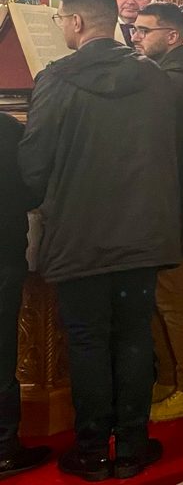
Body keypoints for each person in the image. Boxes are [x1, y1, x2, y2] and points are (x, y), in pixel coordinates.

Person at [19, 0, 179, 479]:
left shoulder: (57, 78)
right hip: (142, 233)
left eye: (61, 19)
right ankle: (131, 447)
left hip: (79, 234)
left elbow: (34, 164)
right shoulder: (153, 76)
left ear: (76, 22)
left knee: (88, 340)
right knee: (133, 336)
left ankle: (91, 452)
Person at [131, 2, 183, 422]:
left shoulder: (175, 81)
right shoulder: (171, 73)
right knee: (158, 298)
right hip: (166, 205)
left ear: (171, 36)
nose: (135, 37)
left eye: (143, 30)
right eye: (133, 29)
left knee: (174, 299)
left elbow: (160, 148)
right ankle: (168, 380)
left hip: (172, 205)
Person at [0, 114, 49, 479]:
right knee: (1, 353)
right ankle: (3, 447)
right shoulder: (10, 130)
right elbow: (34, 189)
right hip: (3, 254)